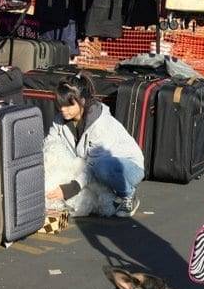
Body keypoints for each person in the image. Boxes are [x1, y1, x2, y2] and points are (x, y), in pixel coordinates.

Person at [45, 73, 144, 217]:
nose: (63, 109)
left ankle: (128, 195)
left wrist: (70, 189)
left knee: (102, 167)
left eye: (69, 104)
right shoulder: (59, 121)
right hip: (94, 168)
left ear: (82, 101)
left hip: (129, 167)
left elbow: (92, 167)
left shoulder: (101, 124)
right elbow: (50, 147)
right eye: (60, 104)